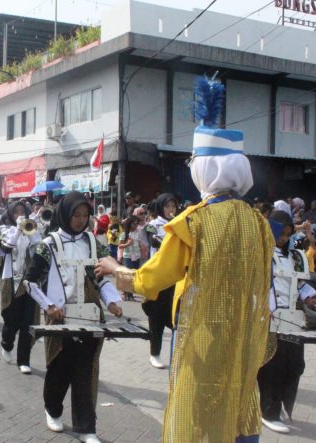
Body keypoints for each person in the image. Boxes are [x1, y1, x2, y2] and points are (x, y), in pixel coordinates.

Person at [95, 77, 274, 443]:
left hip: (203, 335)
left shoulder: (192, 222)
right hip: (242, 333)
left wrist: (116, 270)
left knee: (198, 412)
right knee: (239, 401)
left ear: (204, 169)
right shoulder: (259, 222)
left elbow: (150, 281)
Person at [23, 191, 122, 443]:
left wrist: (111, 301)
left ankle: (87, 428)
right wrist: (48, 306)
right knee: (59, 370)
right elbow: (30, 281)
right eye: (75, 215)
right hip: (61, 320)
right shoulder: (49, 244)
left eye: (85, 215)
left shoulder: (93, 241)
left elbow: (100, 277)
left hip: (91, 318)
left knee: (85, 373)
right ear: (65, 215)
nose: (80, 220)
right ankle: (53, 409)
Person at [257, 210, 316, 434]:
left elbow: (300, 284)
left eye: (287, 233)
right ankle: (268, 412)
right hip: (269, 317)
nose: (283, 238)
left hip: (293, 318)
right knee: (272, 365)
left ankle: (279, 402)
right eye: (279, 233)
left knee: (295, 365)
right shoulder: (261, 253)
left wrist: (309, 296)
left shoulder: (296, 256)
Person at [0, 201, 41, 374]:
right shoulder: (3, 230)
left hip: (29, 281)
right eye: (16, 212)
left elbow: (39, 249)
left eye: (23, 212)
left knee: (27, 321)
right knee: (11, 319)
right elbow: (6, 248)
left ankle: (24, 359)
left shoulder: (33, 229)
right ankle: (6, 343)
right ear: (10, 214)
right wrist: (19, 230)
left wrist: (31, 232)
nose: (19, 215)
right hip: (10, 280)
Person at [141, 193, 177, 369]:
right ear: (161, 207)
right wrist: (157, 241)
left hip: (175, 277)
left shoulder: (179, 224)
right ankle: (154, 354)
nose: (171, 210)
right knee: (156, 318)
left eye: (173, 207)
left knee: (175, 317)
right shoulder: (153, 225)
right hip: (158, 277)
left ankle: (177, 355)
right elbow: (150, 240)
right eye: (168, 206)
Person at [117, 216, 140, 301]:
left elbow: (140, 244)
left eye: (137, 223)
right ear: (129, 224)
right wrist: (127, 244)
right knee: (128, 275)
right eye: (134, 223)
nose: (136, 225)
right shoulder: (124, 234)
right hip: (128, 256)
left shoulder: (137, 233)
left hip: (137, 256)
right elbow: (120, 245)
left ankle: (131, 295)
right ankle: (126, 294)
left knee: (134, 276)